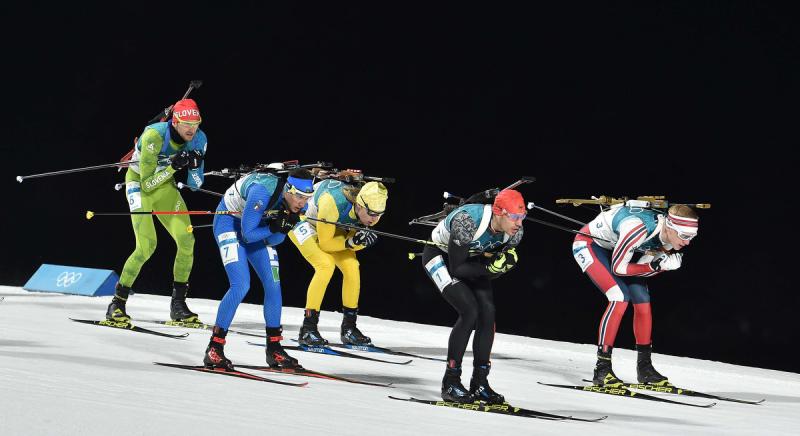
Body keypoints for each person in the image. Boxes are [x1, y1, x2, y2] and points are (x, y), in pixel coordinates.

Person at [571, 203, 699, 386]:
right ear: (671, 227)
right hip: (591, 244)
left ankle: (644, 368)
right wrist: (657, 266)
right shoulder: (637, 228)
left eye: (692, 237)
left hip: (621, 251)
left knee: (643, 300)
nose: (687, 242)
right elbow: (619, 268)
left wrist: (659, 267)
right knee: (619, 296)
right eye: (685, 236)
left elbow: (641, 271)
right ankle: (602, 369)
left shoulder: (670, 237)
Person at [203, 168, 315, 371]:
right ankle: (214, 348)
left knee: (274, 285)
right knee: (241, 285)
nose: (302, 202)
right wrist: (275, 226)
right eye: (299, 196)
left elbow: (274, 240)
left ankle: (274, 348)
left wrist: (283, 227)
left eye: (307, 198)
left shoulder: (295, 204)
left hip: (255, 225)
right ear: (288, 189)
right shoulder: (262, 191)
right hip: (229, 223)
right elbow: (247, 235)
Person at [421, 189, 526, 404]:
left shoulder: (516, 232)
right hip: (441, 257)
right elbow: (457, 268)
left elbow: (487, 263)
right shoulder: (467, 221)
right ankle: (450, 381)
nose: (518, 223)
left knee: (488, 312)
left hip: (472, 259)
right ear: (499, 212)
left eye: (522, 217)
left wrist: (498, 264)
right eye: (514, 217)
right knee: (469, 311)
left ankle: (480, 383)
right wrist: (494, 270)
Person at [107, 99, 206, 323]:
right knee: (147, 246)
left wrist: (193, 167)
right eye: (186, 123)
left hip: (165, 187)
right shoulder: (154, 135)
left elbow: (195, 185)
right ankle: (117, 303)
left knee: (187, 240)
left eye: (196, 123)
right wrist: (173, 166)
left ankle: (178, 305)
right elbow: (147, 184)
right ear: (175, 121)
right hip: (139, 184)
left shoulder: (199, 139)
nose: (192, 129)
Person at [288, 179, 388, 347]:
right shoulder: (332, 202)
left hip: (328, 226)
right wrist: (353, 242)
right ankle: (308, 329)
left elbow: (351, 242)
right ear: (360, 206)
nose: (375, 219)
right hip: (304, 220)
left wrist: (360, 241)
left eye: (379, 214)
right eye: (372, 214)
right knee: (325, 265)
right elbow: (326, 244)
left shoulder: (367, 210)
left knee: (352, 267)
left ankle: (349, 328)